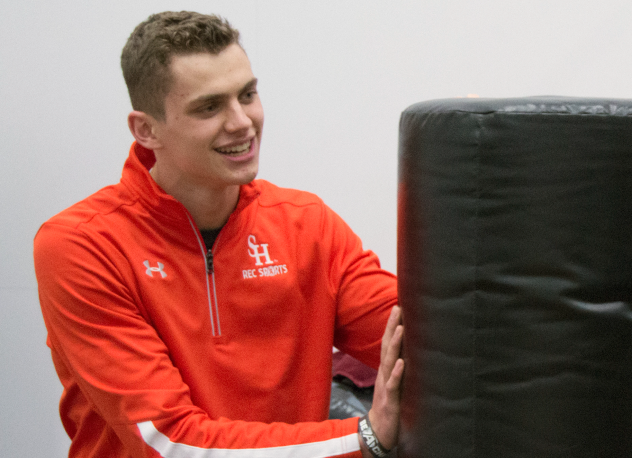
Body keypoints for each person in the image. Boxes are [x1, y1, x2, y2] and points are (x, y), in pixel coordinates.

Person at [34, 11, 403, 458]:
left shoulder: (307, 223)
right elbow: (168, 442)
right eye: (209, 107)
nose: (242, 122)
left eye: (247, 95)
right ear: (145, 129)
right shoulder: (81, 246)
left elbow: (427, 342)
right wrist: (362, 440)